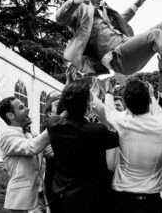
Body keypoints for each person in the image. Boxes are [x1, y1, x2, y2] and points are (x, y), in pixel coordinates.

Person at [91, 78, 162, 213]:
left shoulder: (123, 121)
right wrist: (151, 95)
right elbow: (159, 112)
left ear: (126, 105)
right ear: (148, 102)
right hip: (151, 203)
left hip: (122, 200)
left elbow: (108, 111)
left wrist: (109, 93)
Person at [46, 80, 119, 213]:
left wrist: (69, 85)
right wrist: (103, 118)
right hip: (89, 200)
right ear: (88, 105)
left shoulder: (53, 124)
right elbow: (116, 138)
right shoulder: (97, 130)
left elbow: (61, 110)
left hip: (61, 196)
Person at [0, 97, 53, 213]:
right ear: (10, 116)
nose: (27, 109)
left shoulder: (31, 134)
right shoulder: (5, 136)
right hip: (21, 200)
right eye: (22, 108)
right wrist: (54, 124)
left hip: (41, 195)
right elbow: (31, 147)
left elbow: (51, 152)